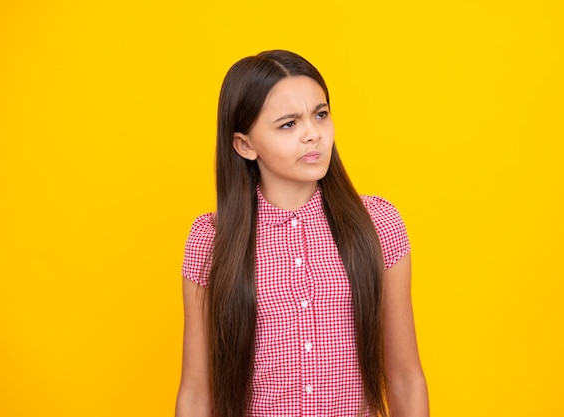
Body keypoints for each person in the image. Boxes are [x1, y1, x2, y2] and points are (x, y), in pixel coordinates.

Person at [176, 50, 429, 417]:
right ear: (245, 145)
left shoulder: (377, 223)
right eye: (288, 124)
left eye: (321, 115)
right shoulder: (211, 240)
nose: (313, 134)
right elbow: (197, 394)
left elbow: (406, 377)